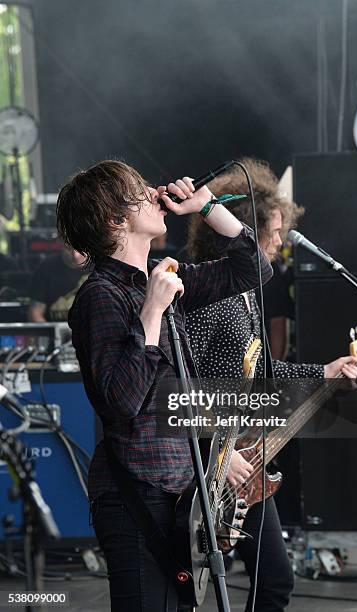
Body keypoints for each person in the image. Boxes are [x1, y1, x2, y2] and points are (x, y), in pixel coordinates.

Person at [55, 159, 273, 612]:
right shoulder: (101, 295)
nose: (154, 193)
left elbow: (253, 270)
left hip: (180, 493)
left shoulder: (162, 277)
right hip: (136, 496)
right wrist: (151, 312)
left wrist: (207, 205)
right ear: (116, 220)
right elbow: (123, 401)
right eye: (139, 191)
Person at [186, 157, 357, 612]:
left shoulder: (248, 294)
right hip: (210, 468)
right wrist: (213, 459)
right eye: (275, 232)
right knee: (199, 588)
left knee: (274, 584)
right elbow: (182, 382)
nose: (281, 242)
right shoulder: (209, 296)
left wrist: (322, 371)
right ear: (245, 231)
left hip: (242, 462)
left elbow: (262, 370)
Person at [28, 246, 88, 322]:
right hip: (56, 330)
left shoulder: (100, 267)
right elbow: (35, 315)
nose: (75, 255)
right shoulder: (46, 268)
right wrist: (52, 332)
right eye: (69, 249)